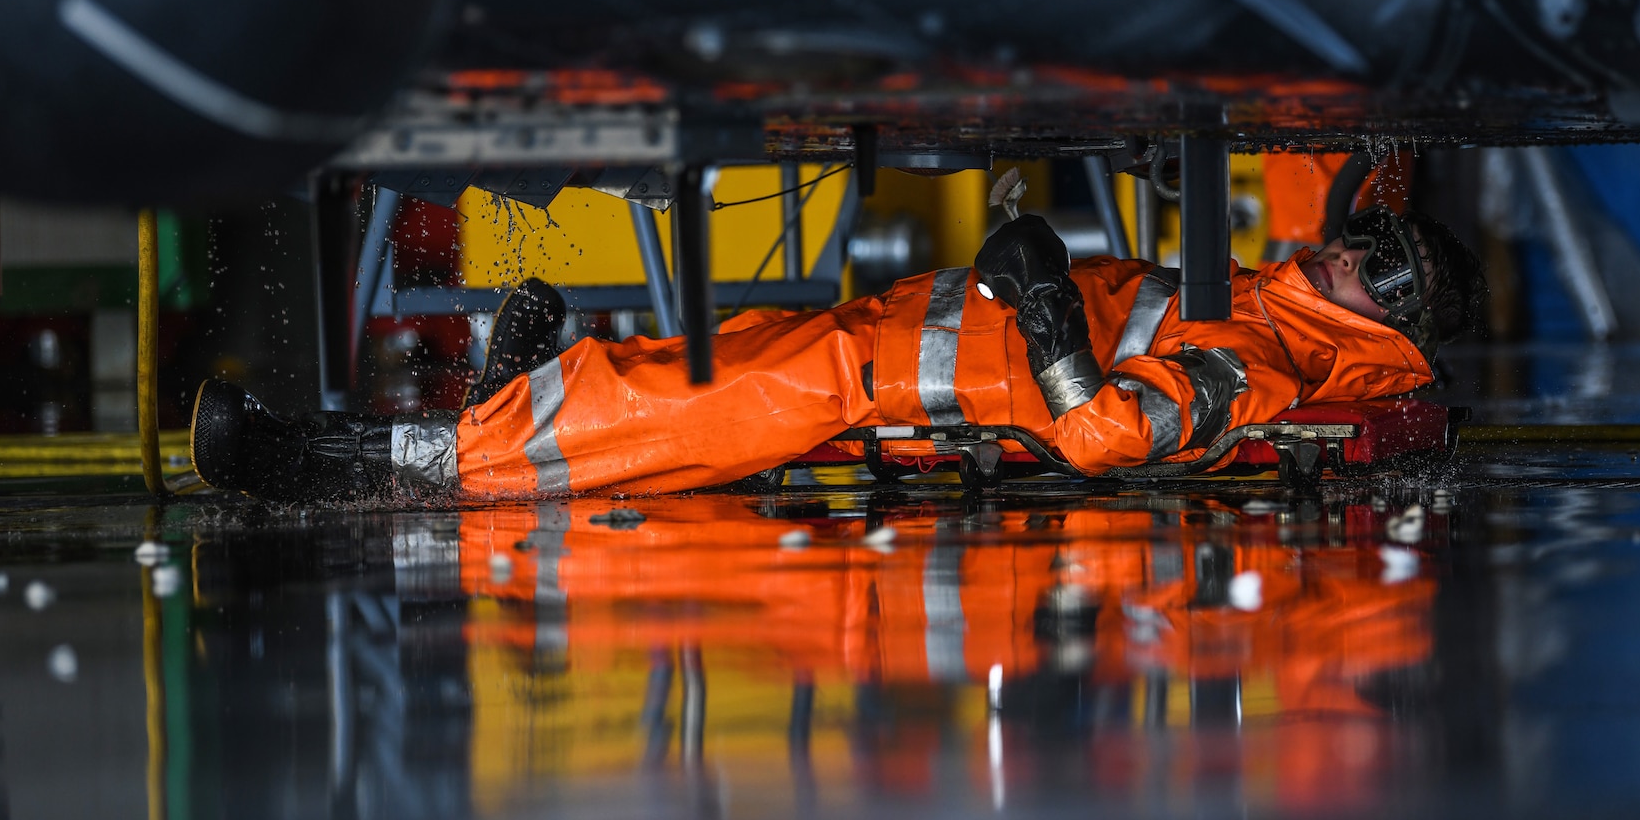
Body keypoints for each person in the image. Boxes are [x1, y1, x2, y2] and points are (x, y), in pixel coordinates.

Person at [189, 204, 1484, 502]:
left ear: (1391, 316)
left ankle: (329, 462)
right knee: (631, 375)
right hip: (862, 339)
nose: (1348, 249)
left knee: (608, 421)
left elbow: (1103, 437)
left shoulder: (1262, 351)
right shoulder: (1254, 295)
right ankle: (474, 408)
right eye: (1365, 233)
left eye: (1382, 264)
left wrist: (1041, 312)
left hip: (866, 382)